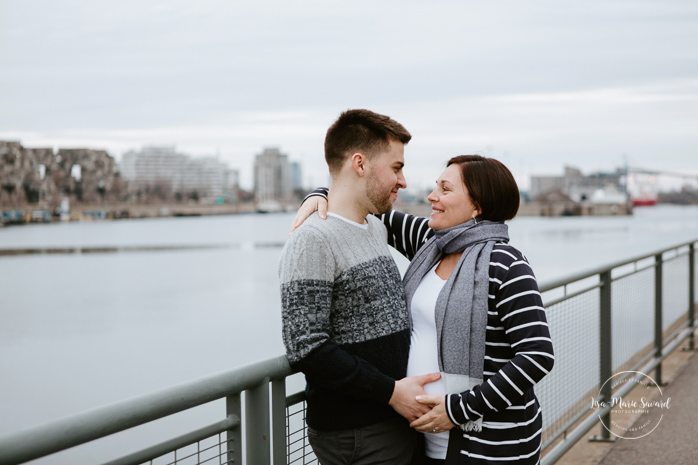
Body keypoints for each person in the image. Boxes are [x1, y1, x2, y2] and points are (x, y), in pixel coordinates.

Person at [297, 155, 554, 464]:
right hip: (424, 440)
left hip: (491, 444)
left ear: (477, 206)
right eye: (435, 187)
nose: (432, 196)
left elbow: (537, 355)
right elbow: (363, 203)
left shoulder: (507, 264)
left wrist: (459, 408)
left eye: (445, 189)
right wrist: (319, 194)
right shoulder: (430, 243)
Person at [279, 109, 440, 465]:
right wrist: (391, 392)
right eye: (396, 167)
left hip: (390, 420)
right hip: (358, 431)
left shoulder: (375, 227)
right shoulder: (312, 240)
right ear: (360, 164)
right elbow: (306, 347)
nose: (403, 181)